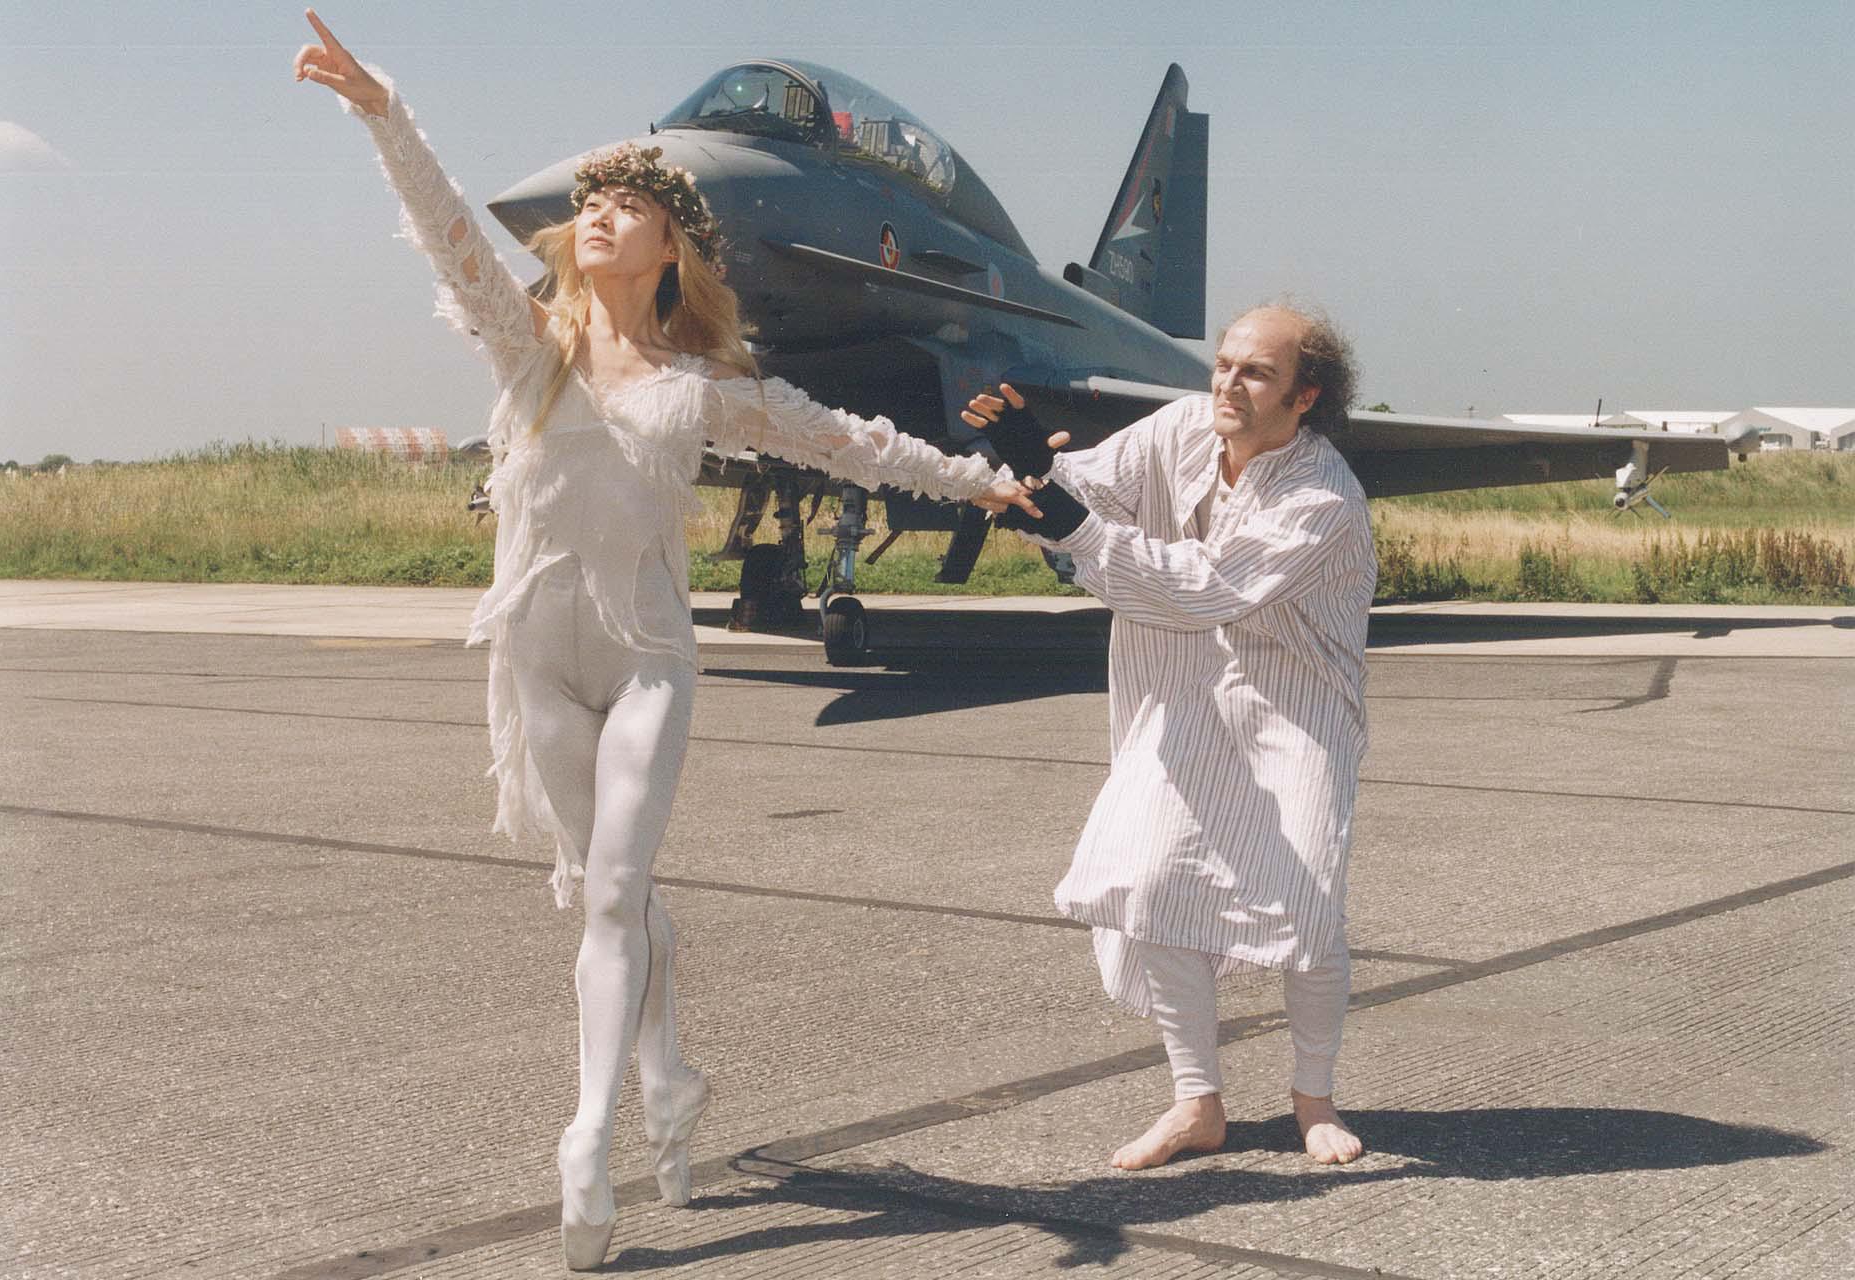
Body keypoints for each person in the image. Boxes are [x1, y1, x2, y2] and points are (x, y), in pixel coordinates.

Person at [293, 11, 1031, 1269]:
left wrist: (981, 483)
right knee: (600, 897)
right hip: (535, 656)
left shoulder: (711, 383)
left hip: (644, 659)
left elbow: (853, 443)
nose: (598, 214)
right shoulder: (523, 349)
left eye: (627, 205)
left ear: (673, 243)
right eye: (589, 203)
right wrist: (383, 111)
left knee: (621, 893)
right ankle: (673, 1076)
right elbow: (448, 233)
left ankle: (590, 1139)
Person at [965, 304, 1377, 1170]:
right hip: (1182, 689)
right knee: (1151, 879)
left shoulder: (1322, 496)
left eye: (1256, 372)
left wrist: (1069, 523)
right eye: (1223, 364)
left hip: (1294, 705)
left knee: (1305, 905)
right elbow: (1096, 480)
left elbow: (1204, 586)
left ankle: (1315, 1100)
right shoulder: (1189, 424)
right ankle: (1198, 1104)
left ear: (1307, 395)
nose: (1228, 382)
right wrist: (1035, 460)